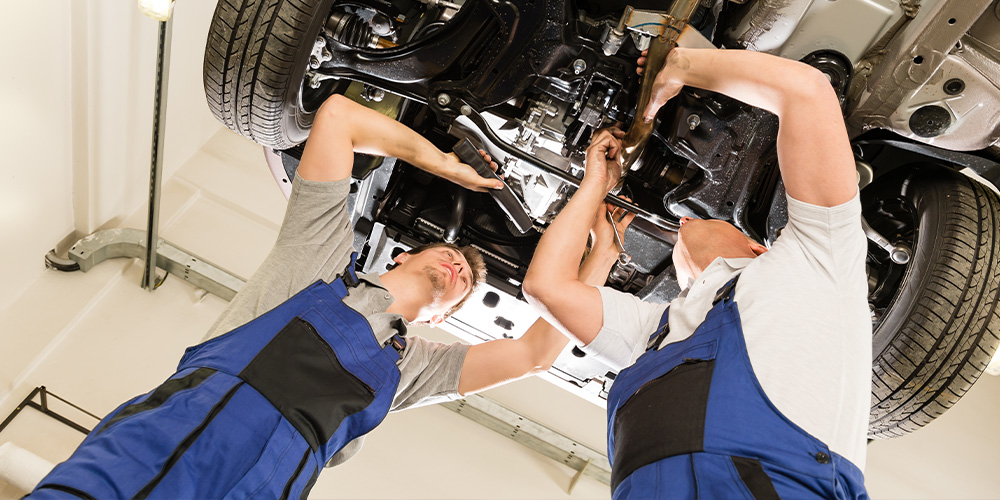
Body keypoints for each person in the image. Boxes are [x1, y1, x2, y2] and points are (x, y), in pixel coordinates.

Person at [28, 95, 626, 499]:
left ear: (447, 319)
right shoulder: (314, 259)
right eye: (452, 256)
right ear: (399, 254)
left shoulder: (415, 368)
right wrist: (443, 162)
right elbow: (337, 117)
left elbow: (534, 352)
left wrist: (597, 258)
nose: (459, 267)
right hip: (165, 435)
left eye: (467, 282)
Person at [523, 47, 871, 499]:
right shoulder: (818, 257)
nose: (681, 219)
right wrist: (681, 65)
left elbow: (544, 287)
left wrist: (681, 66)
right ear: (757, 246)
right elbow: (807, 92)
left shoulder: (654, 334)